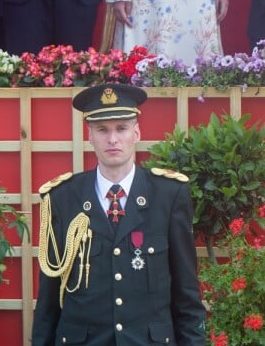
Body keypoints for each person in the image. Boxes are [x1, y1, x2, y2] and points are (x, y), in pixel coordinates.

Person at [31, 83, 205, 345]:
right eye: (102, 130)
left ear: (136, 133)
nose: (112, 139)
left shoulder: (168, 195)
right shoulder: (63, 198)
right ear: (89, 135)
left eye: (121, 128)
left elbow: (186, 294)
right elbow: (49, 299)